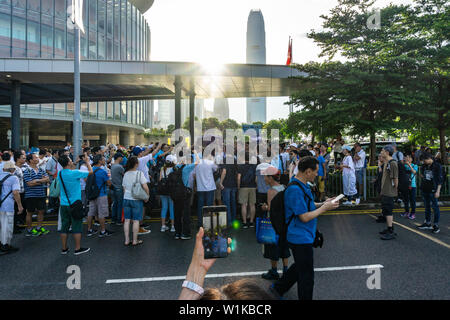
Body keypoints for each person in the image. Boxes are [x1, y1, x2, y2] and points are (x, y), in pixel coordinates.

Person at [270, 157, 339, 300]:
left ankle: (278, 288)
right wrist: (325, 208)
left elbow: (306, 204)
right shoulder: (295, 189)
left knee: (301, 266)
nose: (317, 175)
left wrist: (322, 203)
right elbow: (304, 217)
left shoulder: (301, 185)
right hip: (299, 237)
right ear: (307, 171)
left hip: (303, 234)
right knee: (306, 275)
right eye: (315, 172)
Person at [259, 165, 290, 280]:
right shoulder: (284, 187)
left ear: (271, 178)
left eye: (265, 177)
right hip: (284, 223)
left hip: (274, 224)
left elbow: (271, 209)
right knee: (284, 246)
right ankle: (286, 269)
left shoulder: (271, 191)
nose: (264, 179)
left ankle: (274, 271)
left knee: (273, 247)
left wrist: (264, 207)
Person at [57, 154, 92, 255]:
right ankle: (77, 248)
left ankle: (64, 248)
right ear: (68, 162)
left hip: (64, 204)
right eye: (70, 160)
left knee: (64, 227)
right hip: (75, 203)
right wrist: (87, 162)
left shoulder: (60, 174)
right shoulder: (75, 173)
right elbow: (90, 172)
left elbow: (69, 168)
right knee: (76, 226)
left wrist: (74, 162)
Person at [122, 156, 150, 246]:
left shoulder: (126, 174)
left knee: (127, 220)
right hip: (136, 199)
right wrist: (147, 196)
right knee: (136, 221)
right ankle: (134, 240)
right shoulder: (139, 173)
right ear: (136, 164)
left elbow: (124, 188)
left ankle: (126, 240)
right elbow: (145, 187)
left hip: (126, 198)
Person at [23, 153, 50, 237]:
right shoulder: (27, 170)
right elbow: (29, 183)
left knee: (41, 211)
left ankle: (39, 227)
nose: (38, 158)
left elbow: (47, 178)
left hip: (41, 194)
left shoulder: (40, 169)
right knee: (30, 212)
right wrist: (41, 180)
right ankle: (29, 229)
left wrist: (36, 181)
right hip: (30, 195)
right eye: (35, 157)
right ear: (30, 160)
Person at [0, 162, 24, 255]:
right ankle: (5, 245)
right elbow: (15, 192)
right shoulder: (14, 178)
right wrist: (19, 205)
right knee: (7, 226)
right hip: (7, 205)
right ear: (12, 170)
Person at [86, 154, 113, 237]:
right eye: (103, 159)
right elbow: (109, 183)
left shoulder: (90, 170)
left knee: (91, 212)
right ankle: (103, 231)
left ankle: (89, 229)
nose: (104, 160)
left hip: (92, 194)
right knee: (102, 213)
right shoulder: (102, 172)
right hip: (101, 194)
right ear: (100, 161)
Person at [417, 152, 443, 234]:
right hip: (425, 189)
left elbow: (440, 179)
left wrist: (438, 191)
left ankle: (436, 225)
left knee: (435, 207)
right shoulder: (424, 166)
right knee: (427, 207)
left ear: (429, 158)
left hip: (433, 189)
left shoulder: (437, 166)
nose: (423, 162)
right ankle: (427, 223)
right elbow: (423, 176)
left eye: (424, 161)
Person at [378, 146, 398, 240]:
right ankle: (389, 228)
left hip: (389, 192)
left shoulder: (393, 163)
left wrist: (393, 189)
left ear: (387, 152)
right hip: (385, 191)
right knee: (385, 210)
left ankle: (391, 231)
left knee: (389, 211)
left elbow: (395, 179)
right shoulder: (386, 162)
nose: (381, 152)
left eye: (382, 151)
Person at [194, 154, 218, 229]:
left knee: (200, 206)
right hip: (210, 187)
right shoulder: (210, 163)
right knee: (209, 206)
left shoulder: (197, 163)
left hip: (200, 187)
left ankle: (200, 224)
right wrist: (213, 159)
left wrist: (195, 184)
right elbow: (216, 169)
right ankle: (208, 223)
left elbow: (194, 174)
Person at [237, 155, 257, 229]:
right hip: (252, 186)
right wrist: (256, 185)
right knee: (252, 205)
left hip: (243, 186)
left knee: (244, 205)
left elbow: (239, 177)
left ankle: (245, 222)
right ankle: (251, 222)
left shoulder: (240, 166)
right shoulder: (254, 166)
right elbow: (256, 178)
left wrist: (238, 187)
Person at [219, 153, 238, 225]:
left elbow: (224, 171)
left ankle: (228, 221)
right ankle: (233, 219)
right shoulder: (235, 160)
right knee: (233, 202)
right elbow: (236, 172)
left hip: (226, 184)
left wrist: (220, 182)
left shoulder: (225, 159)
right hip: (234, 184)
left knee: (227, 203)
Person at [159, 155, 176, 233]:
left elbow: (160, 179)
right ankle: (172, 226)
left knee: (164, 208)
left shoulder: (163, 169)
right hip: (172, 191)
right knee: (172, 208)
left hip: (163, 191)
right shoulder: (174, 169)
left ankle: (163, 226)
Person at [110, 153, 125, 225]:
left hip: (113, 187)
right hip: (119, 187)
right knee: (120, 204)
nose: (122, 159)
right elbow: (124, 175)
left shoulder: (112, 166)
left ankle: (113, 219)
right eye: (121, 157)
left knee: (115, 203)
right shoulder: (119, 167)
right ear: (118, 158)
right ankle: (119, 220)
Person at [403, 154, 418, 220]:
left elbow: (414, 172)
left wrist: (409, 165)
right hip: (405, 185)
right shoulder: (403, 166)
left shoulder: (415, 165)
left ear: (411, 159)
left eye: (408, 157)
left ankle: (413, 213)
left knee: (412, 200)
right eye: (406, 157)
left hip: (412, 185)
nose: (407, 158)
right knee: (406, 200)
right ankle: (406, 212)